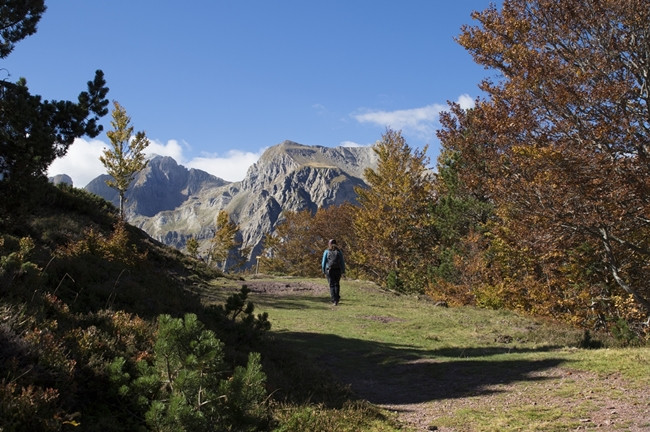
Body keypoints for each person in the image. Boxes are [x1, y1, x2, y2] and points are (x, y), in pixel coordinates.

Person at [322, 239, 345, 305]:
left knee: (331, 284)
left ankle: (333, 299)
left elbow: (323, 262)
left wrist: (323, 270)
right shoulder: (339, 251)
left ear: (329, 244)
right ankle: (337, 299)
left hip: (329, 270)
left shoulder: (326, 251)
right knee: (337, 284)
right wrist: (343, 271)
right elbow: (342, 262)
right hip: (338, 269)